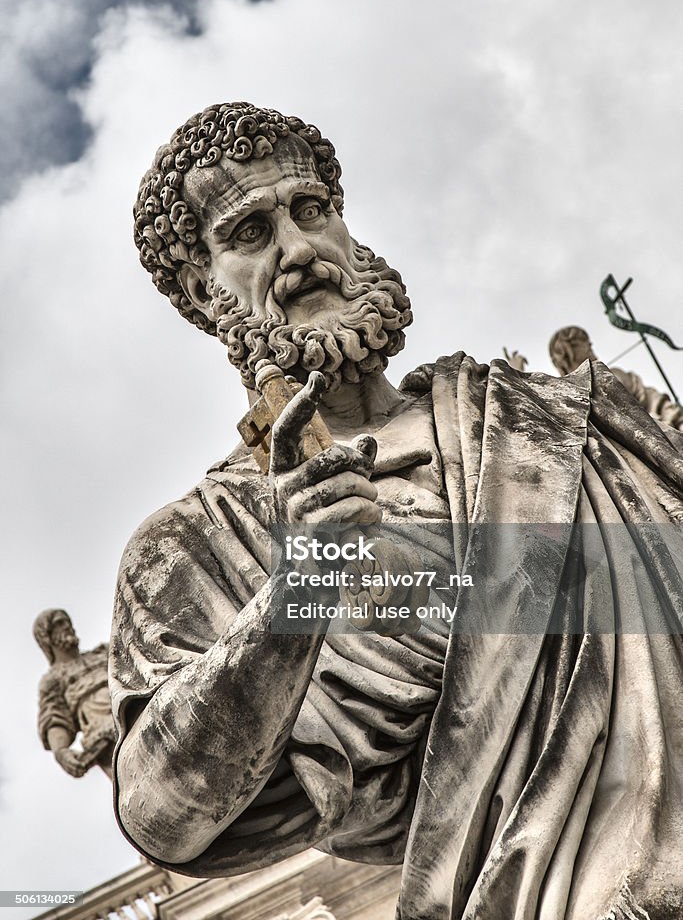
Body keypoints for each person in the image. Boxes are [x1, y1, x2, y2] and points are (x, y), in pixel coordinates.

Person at [111, 102, 683, 920]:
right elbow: (165, 813)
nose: (300, 249)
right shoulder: (200, 543)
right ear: (204, 292)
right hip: (544, 891)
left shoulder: (560, 421)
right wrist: (300, 592)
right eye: (249, 233)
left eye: (312, 211)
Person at [549, 325, 683, 430]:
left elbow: (653, 400)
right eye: (580, 342)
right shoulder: (565, 398)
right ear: (567, 351)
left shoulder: (614, 376)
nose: (590, 344)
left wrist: (674, 419)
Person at [34, 609, 115, 778]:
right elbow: (55, 718)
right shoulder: (53, 680)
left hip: (133, 705)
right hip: (105, 734)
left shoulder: (104, 652)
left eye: (67, 621)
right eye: (59, 624)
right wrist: (61, 752)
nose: (68, 627)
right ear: (46, 637)